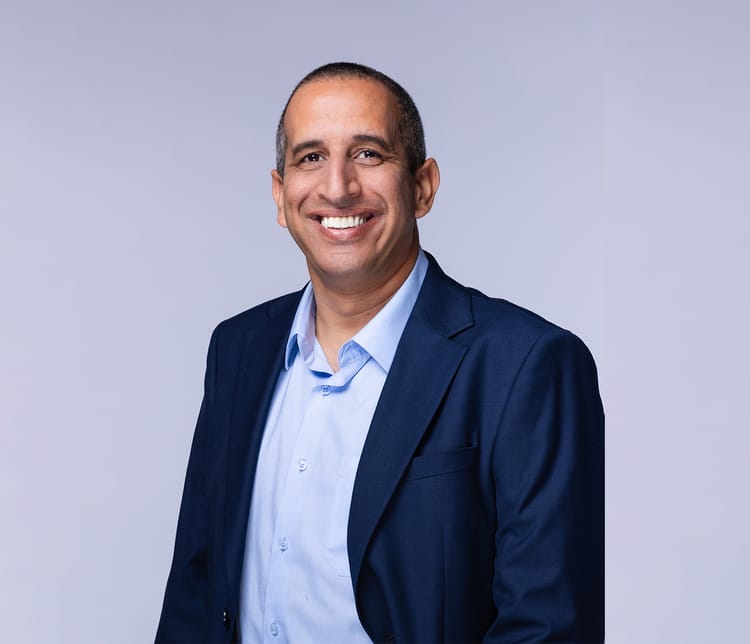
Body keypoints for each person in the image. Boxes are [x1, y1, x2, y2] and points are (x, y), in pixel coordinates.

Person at [156, 62, 604, 643]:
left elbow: (548, 628)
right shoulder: (237, 351)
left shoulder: (527, 365)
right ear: (280, 194)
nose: (338, 186)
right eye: (310, 157)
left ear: (423, 186)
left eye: (368, 154)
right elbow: (193, 598)